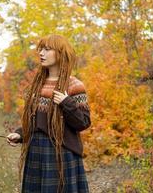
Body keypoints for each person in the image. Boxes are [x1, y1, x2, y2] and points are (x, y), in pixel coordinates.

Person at [6, 34, 91, 193]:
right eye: (40, 49)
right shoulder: (37, 85)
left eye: (47, 49)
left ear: (60, 53)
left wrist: (66, 102)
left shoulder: (74, 85)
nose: (41, 53)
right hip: (36, 152)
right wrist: (20, 134)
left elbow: (83, 123)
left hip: (62, 154)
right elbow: (35, 122)